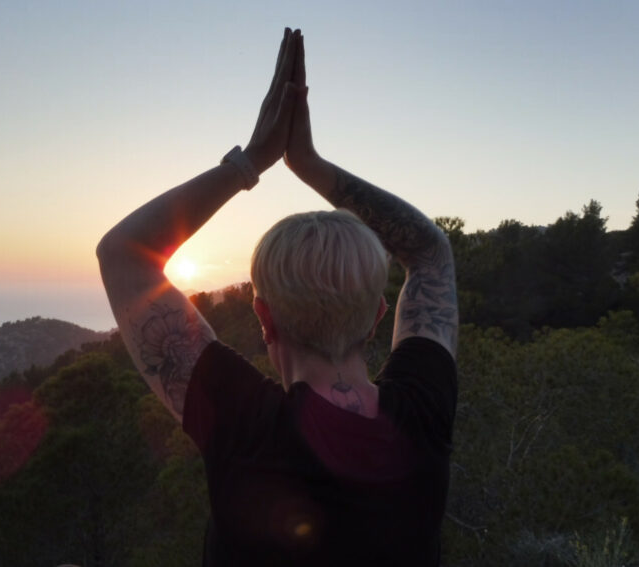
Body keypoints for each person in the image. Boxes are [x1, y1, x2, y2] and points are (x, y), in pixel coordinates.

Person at [97, 28, 458, 566]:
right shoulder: (424, 414)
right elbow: (430, 251)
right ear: (379, 317)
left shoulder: (243, 425)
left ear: (262, 315)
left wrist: (252, 162)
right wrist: (308, 161)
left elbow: (124, 253)